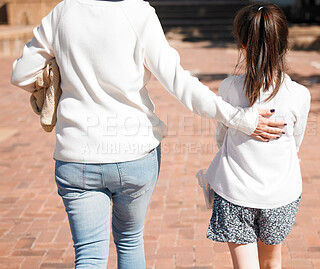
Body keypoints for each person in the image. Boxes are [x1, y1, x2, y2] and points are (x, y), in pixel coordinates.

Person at [10, 0, 286, 268]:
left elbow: (21, 75)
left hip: (76, 154)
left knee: (89, 255)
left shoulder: (63, 11)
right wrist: (240, 118)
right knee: (130, 240)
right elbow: (179, 83)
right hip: (135, 155)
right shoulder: (138, 12)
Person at [203, 3, 311, 269]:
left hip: (235, 191)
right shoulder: (299, 94)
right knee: (272, 262)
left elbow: (221, 137)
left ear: (242, 43)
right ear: (284, 43)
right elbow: (295, 142)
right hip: (280, 194)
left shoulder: (229, 88)